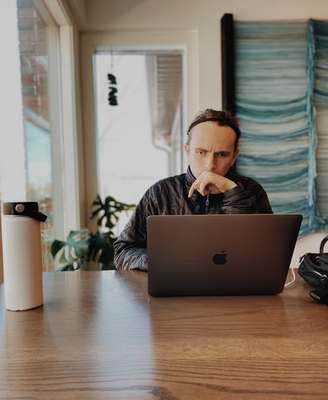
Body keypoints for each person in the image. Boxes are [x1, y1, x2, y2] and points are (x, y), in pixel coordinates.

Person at [114, 109, 272, 271]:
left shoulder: (252, 191)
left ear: (234, 157)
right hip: (174, 290)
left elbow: (266, 255)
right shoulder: (161, 192)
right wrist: (158, 261)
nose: (210, 165)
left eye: (222, 155)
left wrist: (231, 191)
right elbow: (123, 250)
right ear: (187, 150)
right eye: (201, 152)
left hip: (240, 291)